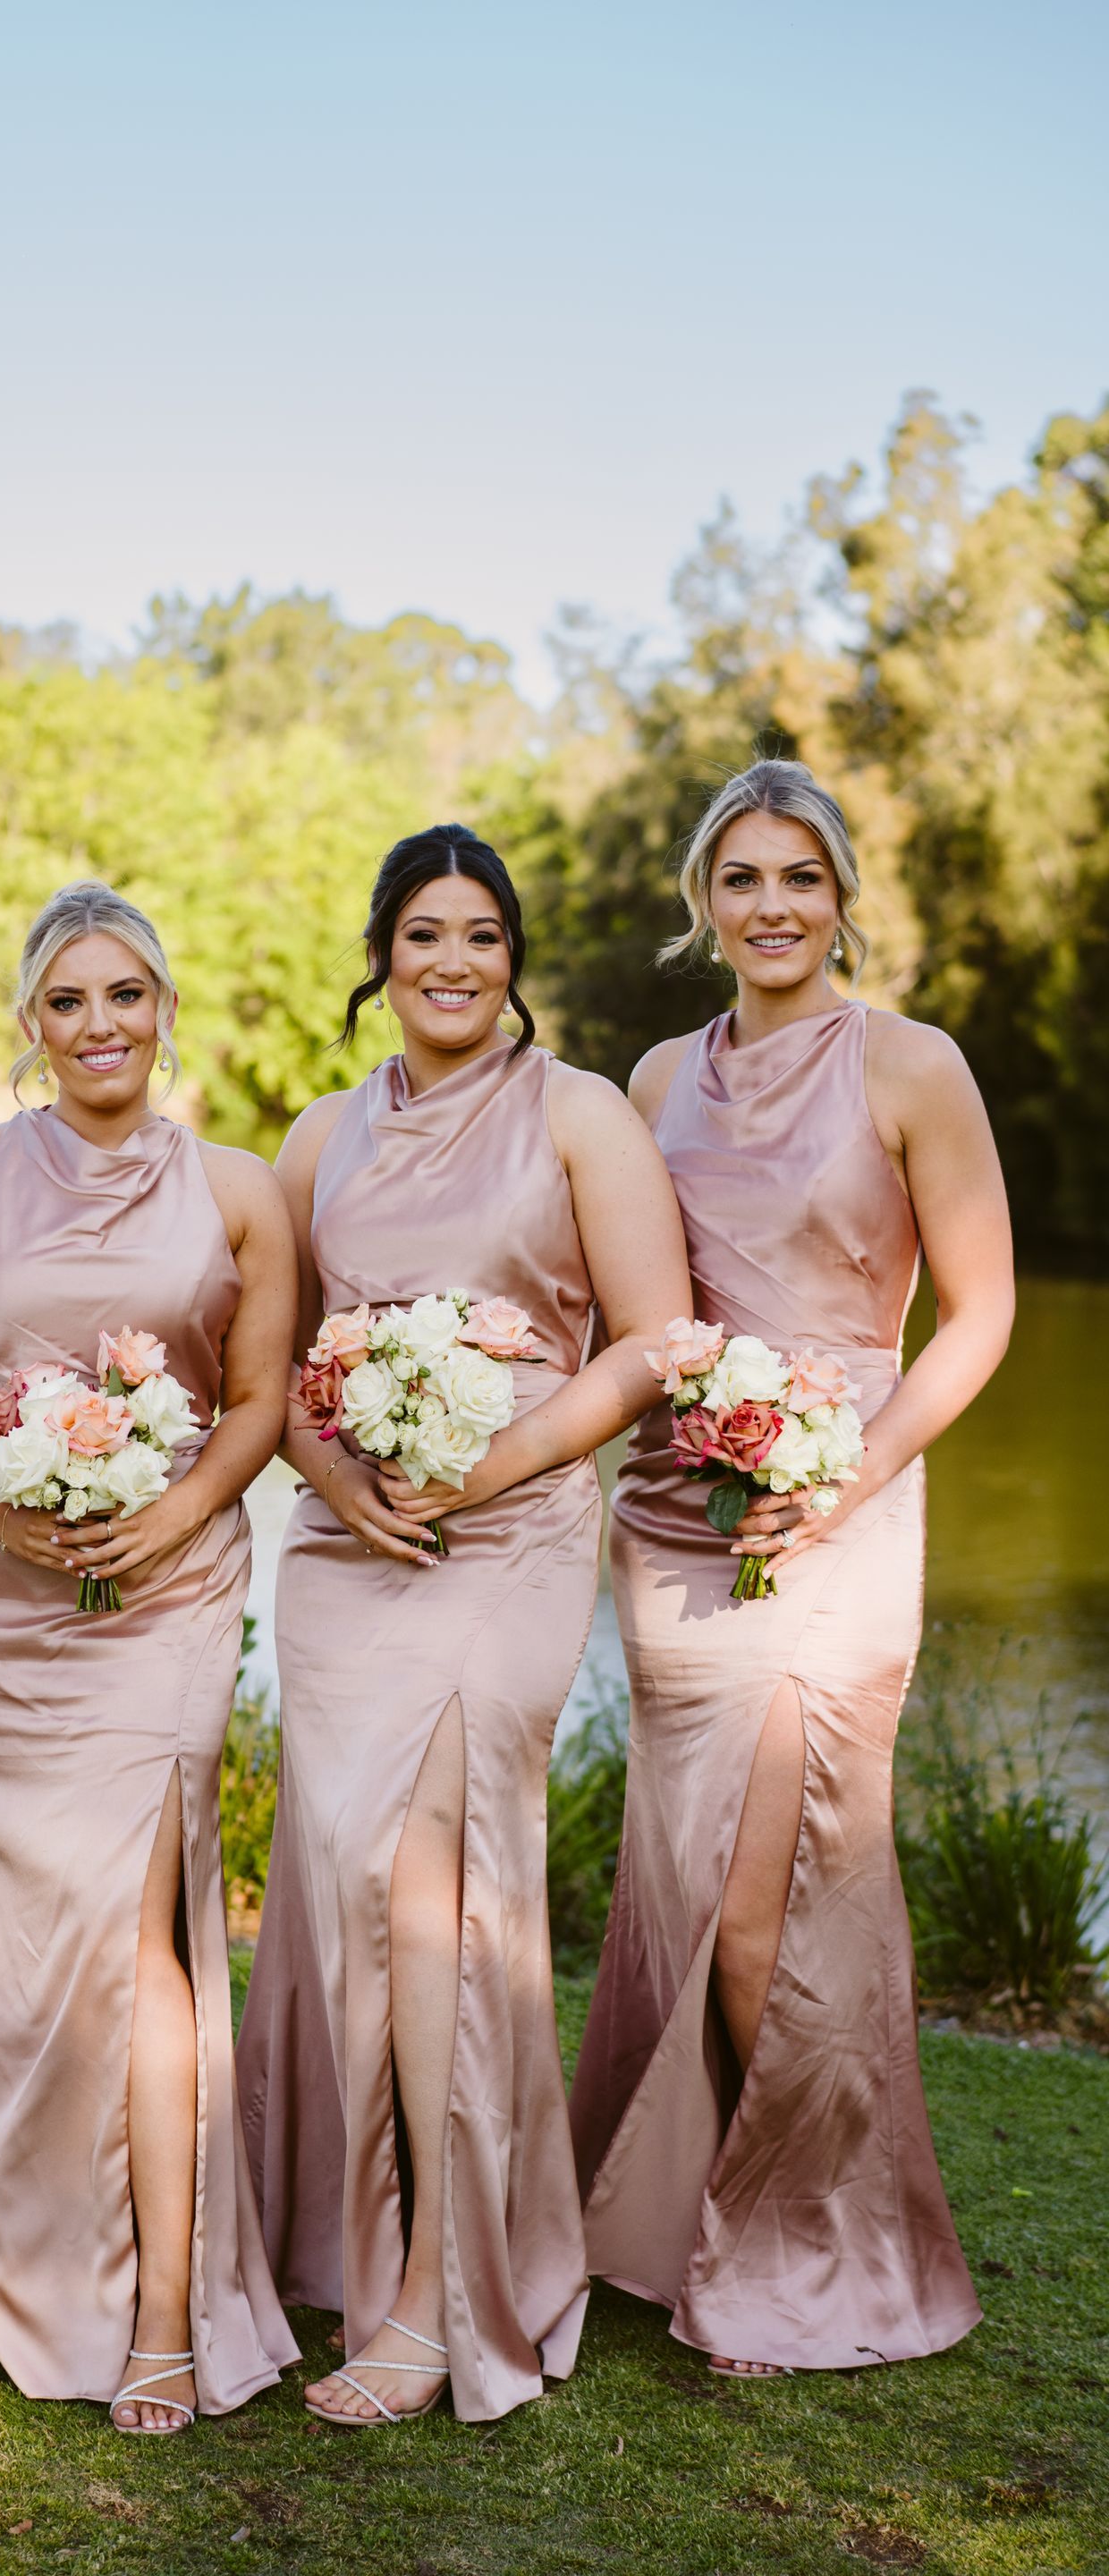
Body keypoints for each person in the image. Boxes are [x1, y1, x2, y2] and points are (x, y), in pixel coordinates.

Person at [237, 823, 691, 2426]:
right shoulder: (316, 1138)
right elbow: (263, 1369)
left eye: (483, 935)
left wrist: (490, 1463)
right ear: (380, 955)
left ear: (515, 958)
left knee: (439, 1883)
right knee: (348, 1877)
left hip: (512, 1541)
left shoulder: (580, 1116)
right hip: (349, 1549)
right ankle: (336, 2238)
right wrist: (336, 1477)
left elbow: (650, 1348)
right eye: (423, 933)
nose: (452, 962)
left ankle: (438, 2299)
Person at [570, 758, 1014, 2377]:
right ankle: (668, 2218)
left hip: (841, 1518)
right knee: (684, 1884)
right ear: (705, 902)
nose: (770, 907)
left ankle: (810, 2251)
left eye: (799, 879)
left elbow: (979, 1318)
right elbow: (622, 1308)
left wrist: (848, 1475)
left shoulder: (913, 1066)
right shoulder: (647, 1085)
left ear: (842, 898)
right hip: (679, 1526)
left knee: (780, 1907)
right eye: (741, 880)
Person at [0, 880, 300, 2435]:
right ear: (28, 1024)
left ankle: (161, 2313)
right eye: (66, 1001)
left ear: (167, 1006)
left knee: (144, 1944)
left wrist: (177, 1511)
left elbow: (258, 1401)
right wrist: (1, 1500)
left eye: (125, 993)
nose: (99, 1025)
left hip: (165, 1596)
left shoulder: (248, 1190)